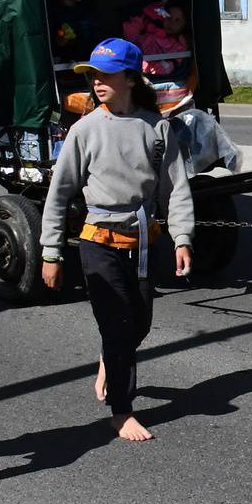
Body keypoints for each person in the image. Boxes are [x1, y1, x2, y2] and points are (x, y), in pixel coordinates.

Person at [39, 38, 193, 443]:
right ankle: (121, 412)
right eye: (92, 76)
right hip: (98, 241)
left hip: (142, 240)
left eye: (105, 75)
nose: (97, 83)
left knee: (139, 321)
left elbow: (175, 188)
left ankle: (111, 355)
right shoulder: (85, 130)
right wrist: (51, 251)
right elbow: (60, 193)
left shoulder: (156, 128)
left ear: (130, 78)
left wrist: (182, 238)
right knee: (120, 323)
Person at [48, 0, 98, 69]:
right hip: (66, 64)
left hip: (90, 59)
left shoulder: (86, 10)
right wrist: (60, 41)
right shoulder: (54, 14)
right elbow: (55, 41)